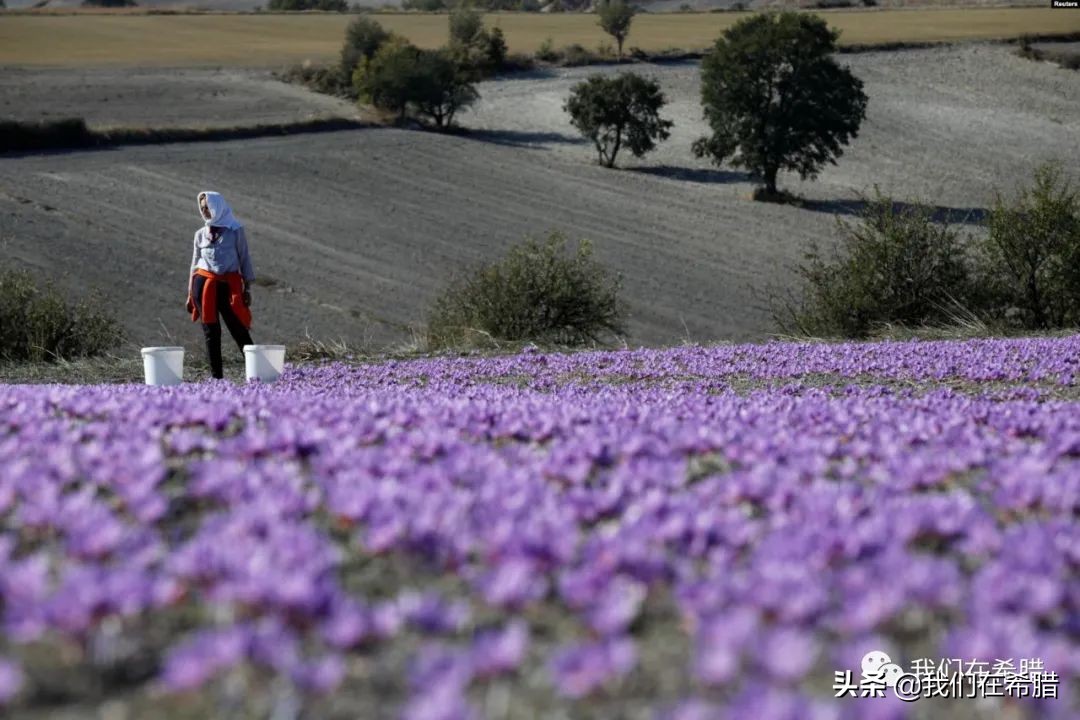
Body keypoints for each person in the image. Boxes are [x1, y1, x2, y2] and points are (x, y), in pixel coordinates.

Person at [186, 191, 255, 379]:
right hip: (204, 285)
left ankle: (258, 372)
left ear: (217, 206)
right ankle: (217, 378)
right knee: (211, 331)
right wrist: (190, 293)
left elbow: (244, 258)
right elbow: (195, 264)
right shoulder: (200, 234)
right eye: (202, 208)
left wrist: (247, 288)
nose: (205, 211)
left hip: (228, 286)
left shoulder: (235, 230)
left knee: (238, 328)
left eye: (208, 207)